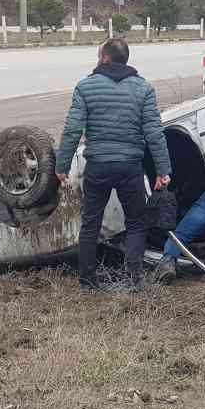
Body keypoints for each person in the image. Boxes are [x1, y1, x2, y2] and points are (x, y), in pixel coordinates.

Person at [54, 38, 171, 291]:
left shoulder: (86, 87)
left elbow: (73, 130)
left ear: (105, 58)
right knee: (136, 223)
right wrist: (163, 170)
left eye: (99, 54)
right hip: (130, 167)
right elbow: (154, 133)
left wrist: (61, 166)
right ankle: (136, 278)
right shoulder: (143, 89)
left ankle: (87, 281)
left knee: (91, 224)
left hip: (98, 166)